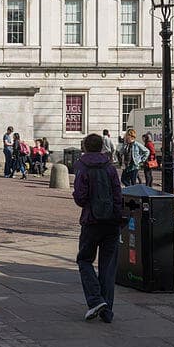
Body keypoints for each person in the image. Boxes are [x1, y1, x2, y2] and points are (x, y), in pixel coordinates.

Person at [72, 132, 123, 323]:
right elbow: (118, 193)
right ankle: (107, 312)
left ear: (85, 146)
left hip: (91, 220)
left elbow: (80, 197)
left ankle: (95, 299)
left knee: (84, 260)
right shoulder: (110, 167)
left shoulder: (82, 166)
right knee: (108, 267)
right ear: (102, 146)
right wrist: (117, 215)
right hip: (111, 221)